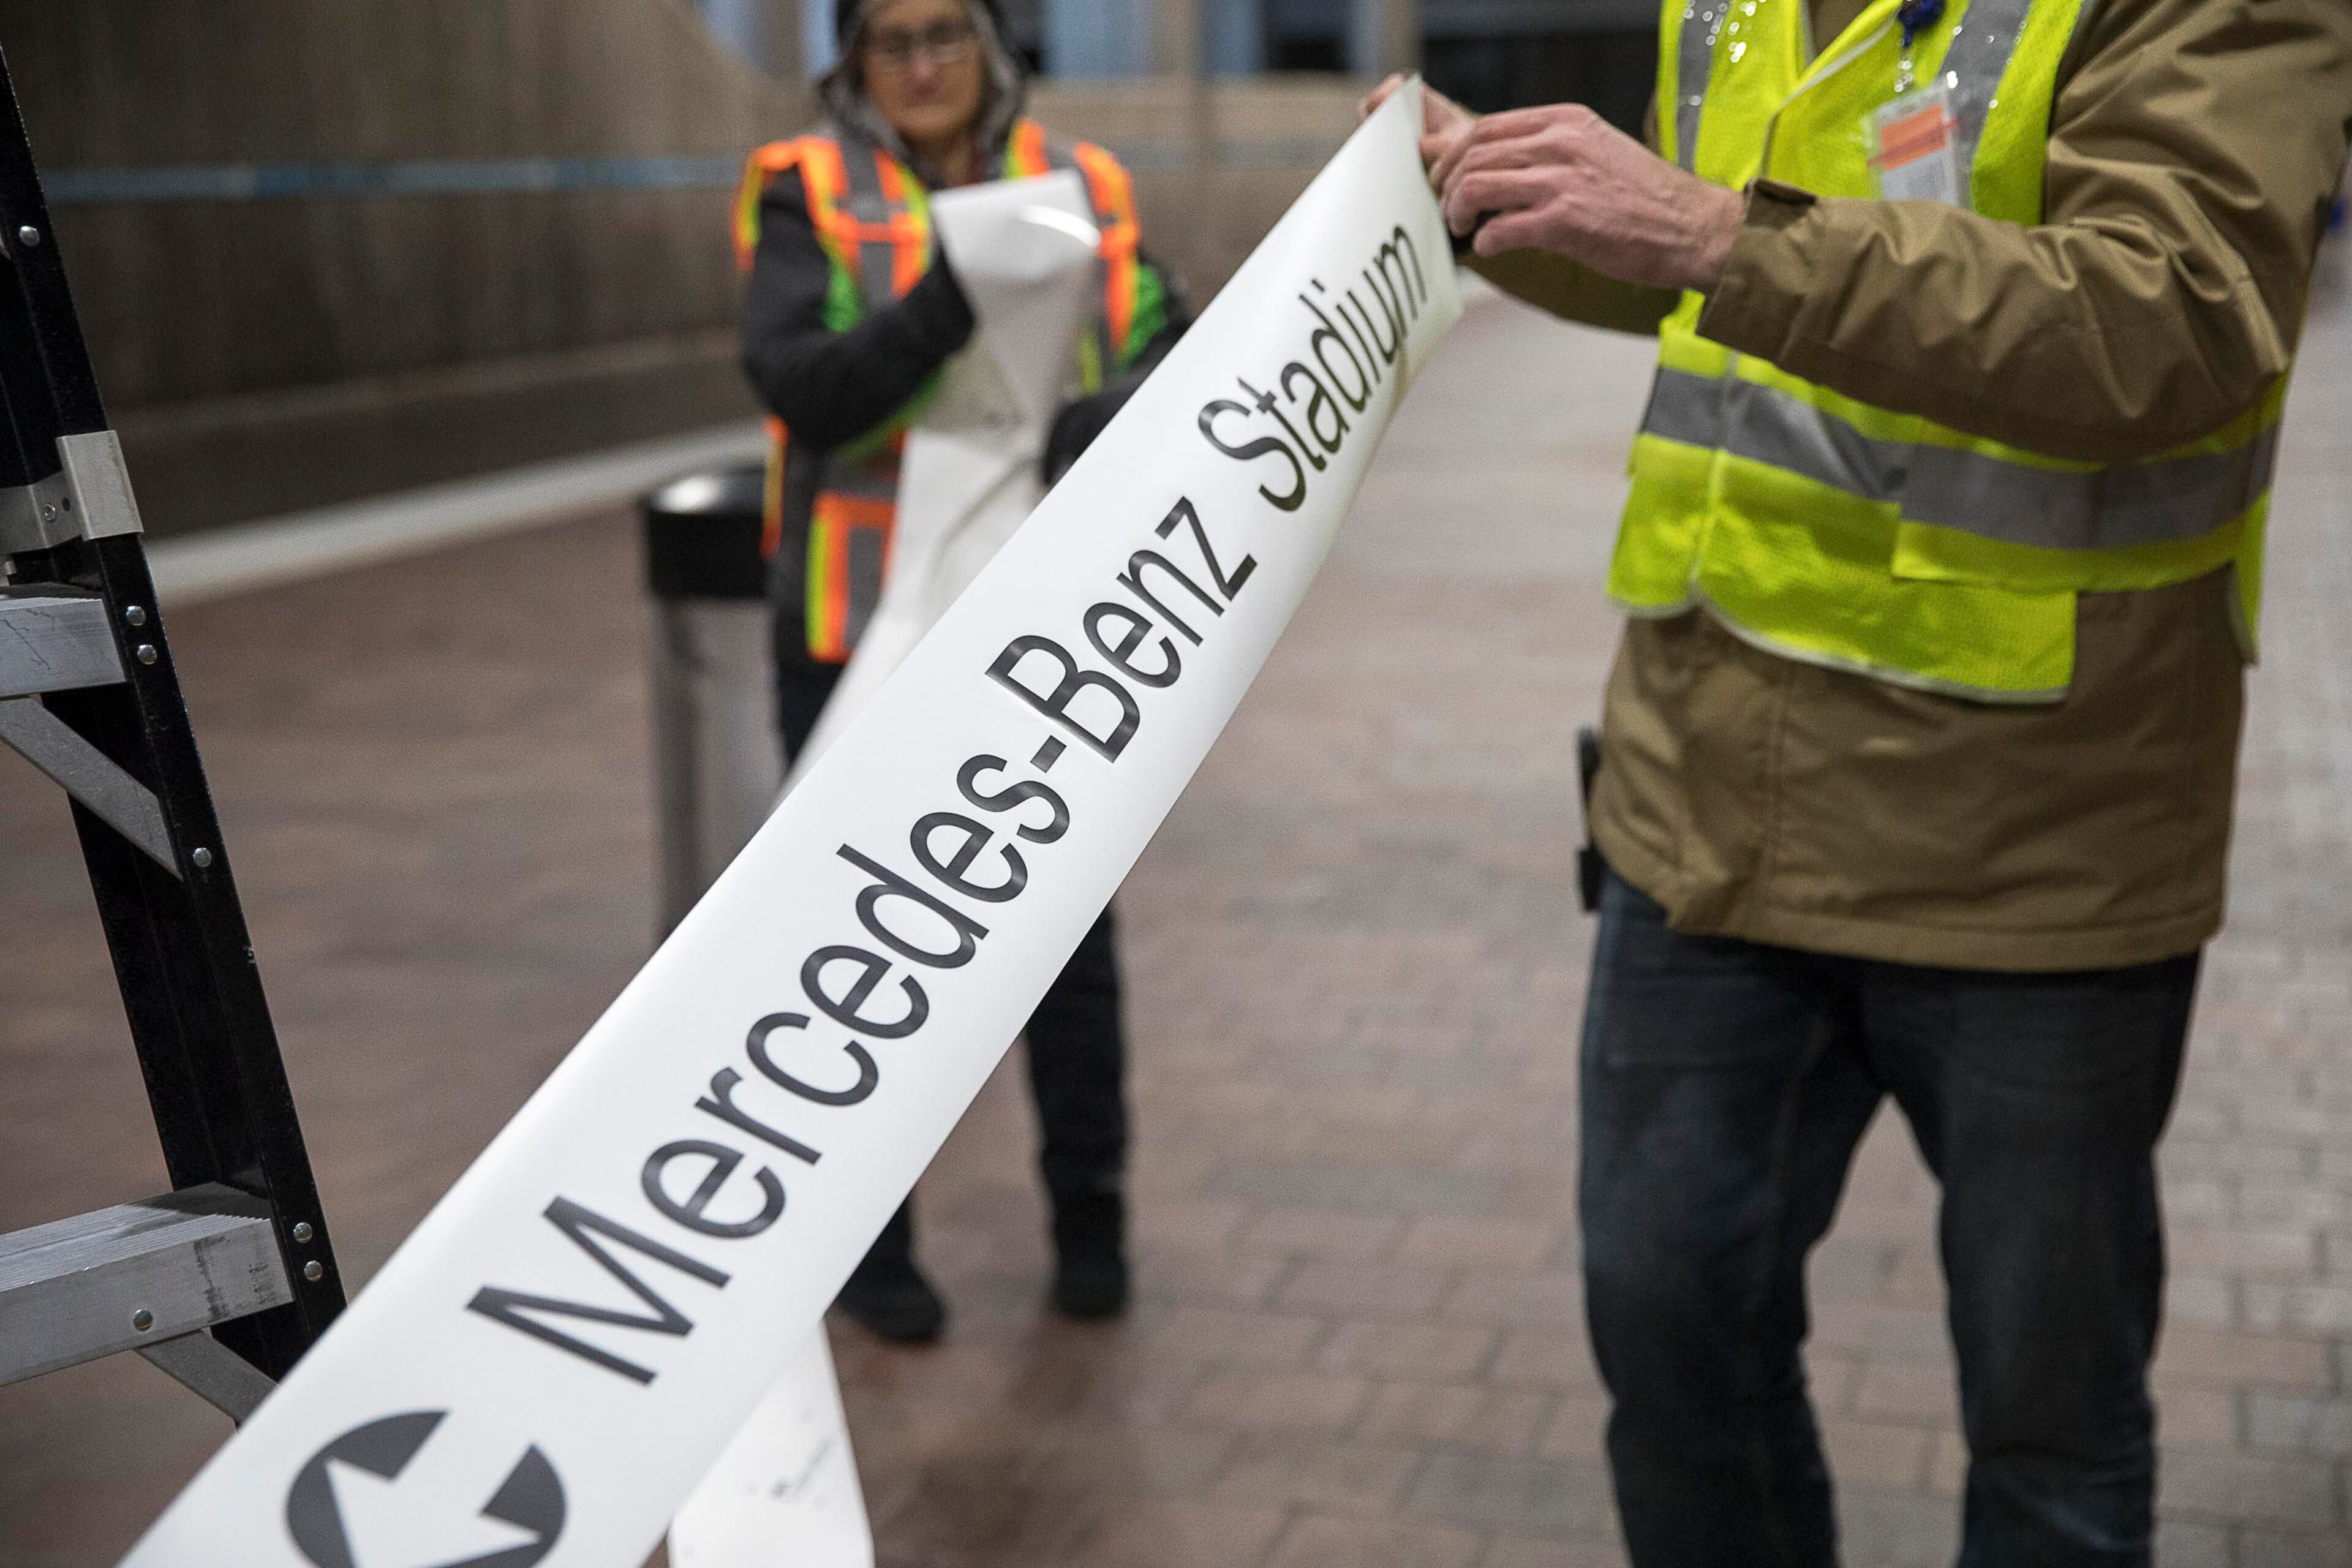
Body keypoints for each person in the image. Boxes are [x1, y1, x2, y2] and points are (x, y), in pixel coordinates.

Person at [1373, 2, 2352, 1563]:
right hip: (1702, 807)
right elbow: (1692, 253)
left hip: (2035, 837)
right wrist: (1490, 201)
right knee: (1673, 1341)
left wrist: (1709, 234)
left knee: (2050, 1425)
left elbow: (2178, 313)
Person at [734, 0, 1187, 1345]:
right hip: (854, 632)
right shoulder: (801, 187)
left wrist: (1107, 414)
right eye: (893, 40)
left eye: (948, 33)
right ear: (852, 60)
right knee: (860, 957)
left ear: (994, 46)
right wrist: (948, 299)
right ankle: (872, 1247)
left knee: (1066, 944)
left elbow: (1174, 339)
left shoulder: (1089, 183)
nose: (924, 64)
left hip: (1040, 635)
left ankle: (1091, 1218)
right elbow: (800, 387)